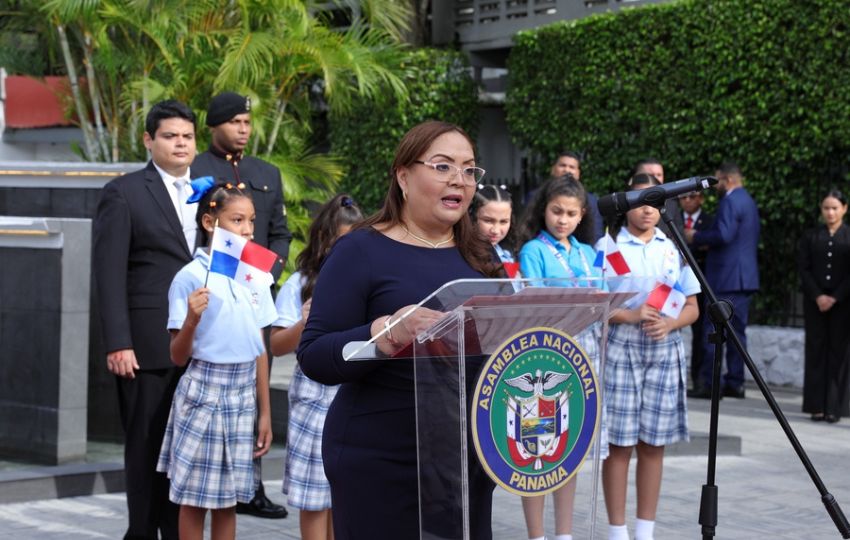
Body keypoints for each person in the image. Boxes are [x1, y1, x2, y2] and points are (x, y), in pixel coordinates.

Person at [297, 121, 502, 539]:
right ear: (403, 176)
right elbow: (315, 355)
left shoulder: (481, 254)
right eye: (443, 167)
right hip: (379, 459)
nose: (459, 181)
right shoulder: (360, 250)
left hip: (465, 458)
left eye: (468, 170)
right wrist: (386, 333)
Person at [93, 99, 198, 540]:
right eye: (170, 136)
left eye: (187, 136)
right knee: (146, 446)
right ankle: (141, 532)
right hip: (146, 345)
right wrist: (118, 342)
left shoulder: (212, 194)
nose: (180, 144)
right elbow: (108, 271)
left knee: (184, 452)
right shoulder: (124, 192)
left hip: (200, 343)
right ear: (149, 141)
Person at [156, 180, 277, 540]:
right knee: (193, 500)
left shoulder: (252, 277)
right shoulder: (190, 278)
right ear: (211, 223)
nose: (248, 229)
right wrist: (192, 318)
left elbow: (259, 347)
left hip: (242, 397)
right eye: (237, 220)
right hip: (204, 393)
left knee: (228, 501)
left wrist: (265, 412)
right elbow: (177, 356)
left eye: (251, 221)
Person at [191, 91, 292, 518]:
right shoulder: (196, 169)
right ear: (214, 125)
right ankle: (206, 482)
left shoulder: (265, 171)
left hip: (255, 291)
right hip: (213, 293)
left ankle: (251, 486)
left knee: (257, 382)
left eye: (247, 122)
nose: (243, 129)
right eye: (234, 122)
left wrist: (268, 270)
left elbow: (280, 230)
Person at [598, 173, 700, 540]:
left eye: (654, 204)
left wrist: (671, 324)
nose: (647, 211)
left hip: (663, 348)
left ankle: (645, 530)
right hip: (622, 347)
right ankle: (617, 530)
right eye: (639, 203)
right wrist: (631, 315)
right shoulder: (607, 248)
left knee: (654, 443)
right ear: (625, 206)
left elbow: (693, 307)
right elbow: (594, 307)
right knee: (619, 443)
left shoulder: (673, 249)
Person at [270, 194, 363, 540]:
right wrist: (303, 324)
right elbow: (276, 345)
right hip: (312, 400)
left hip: (352, 397)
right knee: (314, 498)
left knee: (347, 495)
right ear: (324, 239)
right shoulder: (299, 284)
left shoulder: (364, 282)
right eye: (341, 241)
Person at [516, 174, 603, 540]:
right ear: (544, 210)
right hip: (545, 359)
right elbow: (532, 301)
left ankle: (564, 534)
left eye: (570, 213)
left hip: (586, 355)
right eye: (556, 211)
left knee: (571, 449)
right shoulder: (533, 251)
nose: (562, 220)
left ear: (581, 215)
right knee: (538, 448)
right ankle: (537, 535)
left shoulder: (587, 252)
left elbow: (602, 296)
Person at [686, 161, 760, 399]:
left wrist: (696, 236)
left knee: (713, 329)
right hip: (743, 278)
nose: (715, 186)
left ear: (727, 179)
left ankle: (709, 383)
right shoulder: (747, 200)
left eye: (718, 180)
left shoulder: (729, 201)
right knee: (738, 334)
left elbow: (724, 234)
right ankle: (735, 382)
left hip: (725, 278)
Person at [798, 189, 850, 423]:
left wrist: (836, 296)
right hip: (815, 302)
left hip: (842, 303)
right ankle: (816, 405)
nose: (830, 212)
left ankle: (835, 407)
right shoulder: (811, 236)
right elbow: (804, 268)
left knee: (839, 352)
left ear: (844, 209)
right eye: (826, 208)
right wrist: (819, 296)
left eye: (835, 208)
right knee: (816, 350)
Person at [678, 191, 715, 388]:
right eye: (684, 197)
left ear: (701, 198)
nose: (688, 200)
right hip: (675, 281)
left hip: (699, 282)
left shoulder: (708, 221)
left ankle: (698, 378)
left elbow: (709, 246)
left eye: (693, 197)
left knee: (700, 331)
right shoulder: (674, 219)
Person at [526, 151, 605, 242]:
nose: (567, 170)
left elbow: (596, 234)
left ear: (578, 173)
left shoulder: (591, 201)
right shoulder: (536, 195)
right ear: (553, 169)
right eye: (562, 165)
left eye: (572, 167)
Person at [470, 183, 517, 266]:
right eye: (488, 221)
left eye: (503, 222)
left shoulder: (506, 255)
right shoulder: (463, 256)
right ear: (472, 217)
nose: (495, 230)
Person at [631, 158, 679, 237]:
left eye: (659, 175)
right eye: (650, 175)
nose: (656, 179)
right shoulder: (622, 203)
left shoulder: (671, 205)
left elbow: (679, 237)